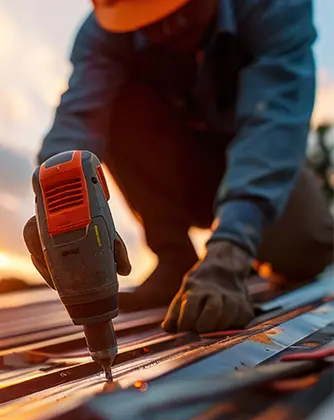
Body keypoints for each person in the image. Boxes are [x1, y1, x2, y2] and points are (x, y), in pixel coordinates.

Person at [24, 0, 333, 334]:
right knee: (111, 108)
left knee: (302, 250)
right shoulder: (103, 33)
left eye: (177, 9)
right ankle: (174, 258)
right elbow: (79, 118)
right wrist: (52, 206)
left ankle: (244, 241)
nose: (169, 26)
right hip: (177, 169)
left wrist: (230, 250)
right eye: (150, 18)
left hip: (260, 160)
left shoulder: (273, 5)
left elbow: (273, 124)